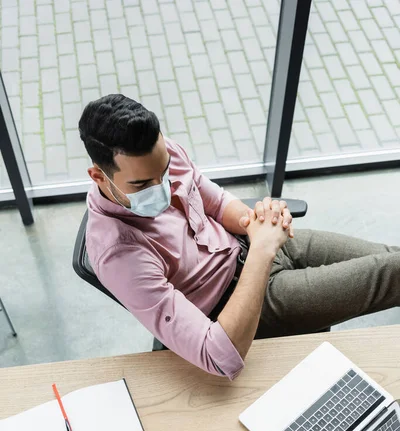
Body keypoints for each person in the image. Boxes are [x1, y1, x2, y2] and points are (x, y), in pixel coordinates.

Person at [79, 94, 400, 380]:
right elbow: (218, 356)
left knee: (390, 256)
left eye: (164, 174)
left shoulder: (157, 154)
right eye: (142, 185)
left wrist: (258, 222)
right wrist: (262, 249)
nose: (161, 187)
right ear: (98, 175)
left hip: (252, 246)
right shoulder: (119, 254)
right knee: (391, 274)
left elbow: (215, 202)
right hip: (239, 300)